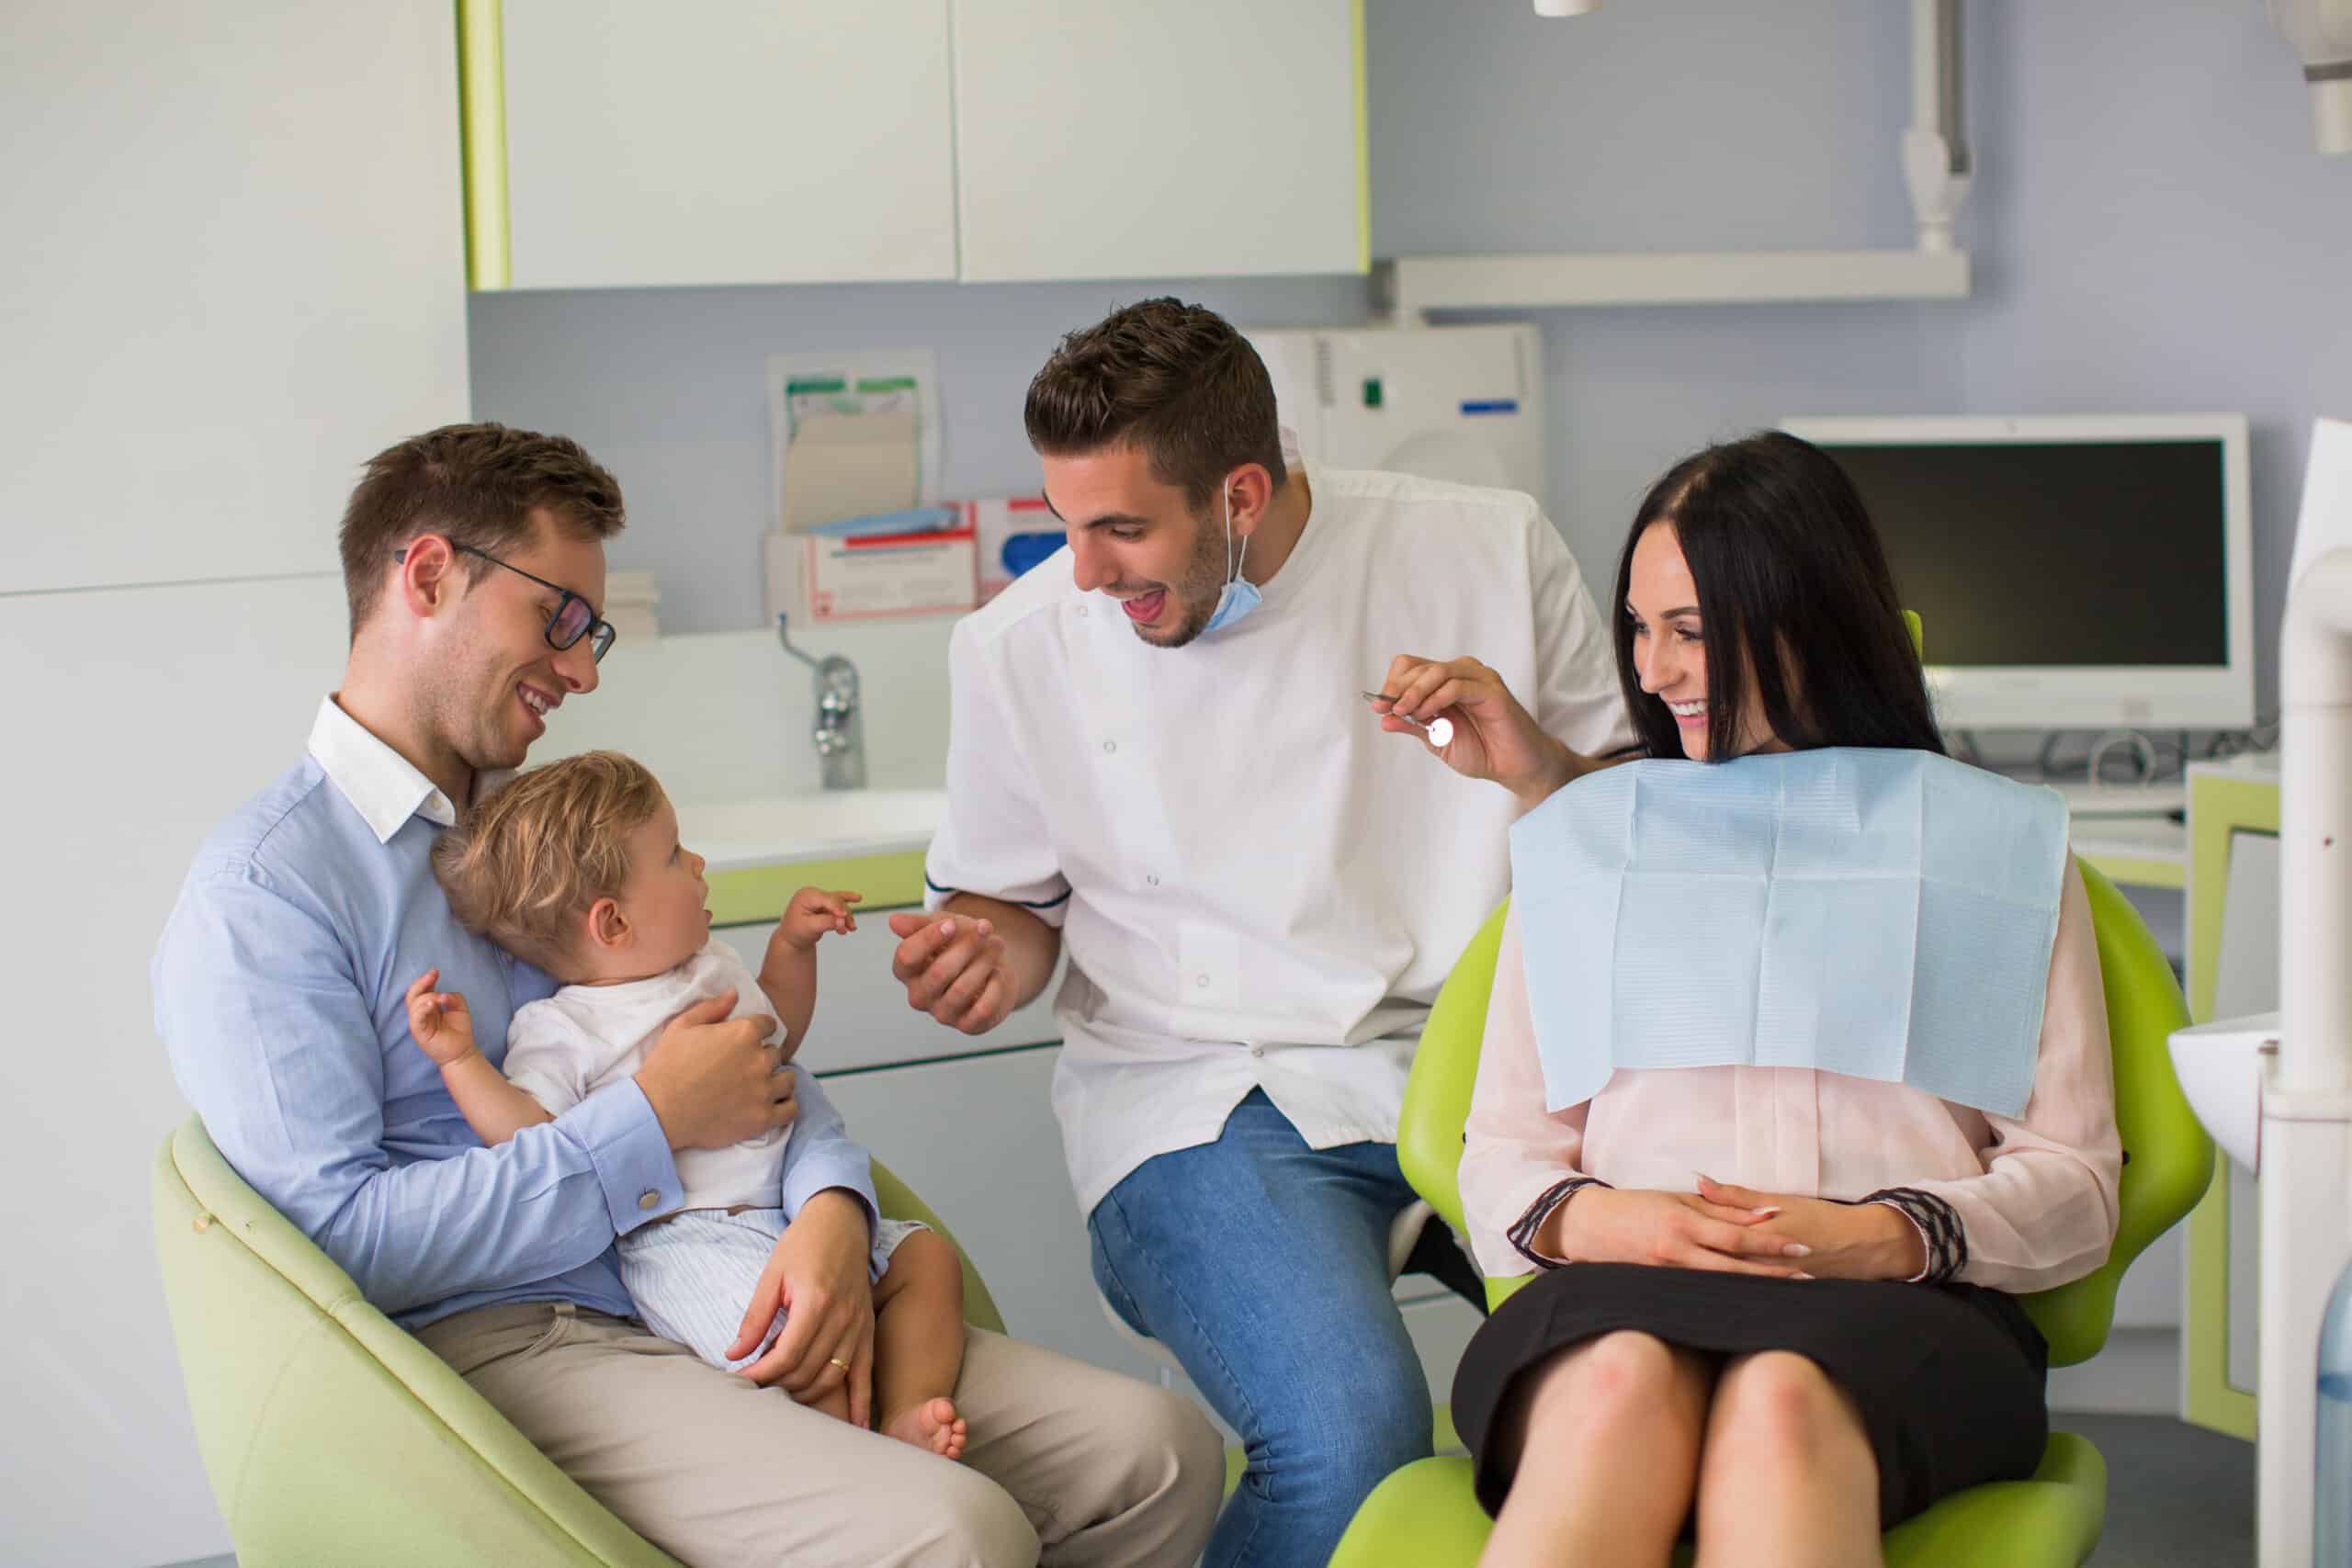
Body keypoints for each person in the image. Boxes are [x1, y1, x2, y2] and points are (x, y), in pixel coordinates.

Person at [154, 423, 1220, 1568]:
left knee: (1156, 1451)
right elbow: (337, 1246)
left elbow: (732, 1054)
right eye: (560, 618)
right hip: (516, 1337)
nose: (583, 669)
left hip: (734, 1256)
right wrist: (650, 1124)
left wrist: (829, 1211)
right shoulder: (266, 896)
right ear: (427, 576)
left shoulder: (557, 830)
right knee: (954, 1534)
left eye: (590, 630)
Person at [885, 298, 1634, 1567]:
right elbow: (1016, 913)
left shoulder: (1485, 553)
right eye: (1067, 525)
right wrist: (985, 953)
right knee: (1349, 1439)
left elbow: (1636, 833)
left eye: (1124, 529)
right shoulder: (1020, 648)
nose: (1086, 572)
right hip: (1201, 1097)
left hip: (1490, 1074)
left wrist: (1534, 764)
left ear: (1243, 490)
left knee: (1654, 1377)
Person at [1428, 431, 2122, 1568]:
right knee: (1611, 1388)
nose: (1651, 673)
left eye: (1691, 633)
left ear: (1807, 619)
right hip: (1615, 1294)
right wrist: (1613, 1221)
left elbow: (2075, 1183)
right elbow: (1503, 1152)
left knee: (1780, 1403)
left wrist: (1880, 1236)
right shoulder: (1586, 846)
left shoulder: (1992, 848)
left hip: (1904, 1308)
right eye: (1639, 632)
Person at [406, 749, 969, 1460]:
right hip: (687, 1241)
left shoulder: (712, 969)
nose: (698, 863)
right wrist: (460, 1060)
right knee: (795, 1349)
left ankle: (909, 1411)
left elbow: (779, 1035)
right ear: (612, 924)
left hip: (787, 1215)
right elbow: (530, 1133)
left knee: (930, 1261)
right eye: (674, 855)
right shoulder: (565, 1028)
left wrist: (793, 946)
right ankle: (869, 1465)